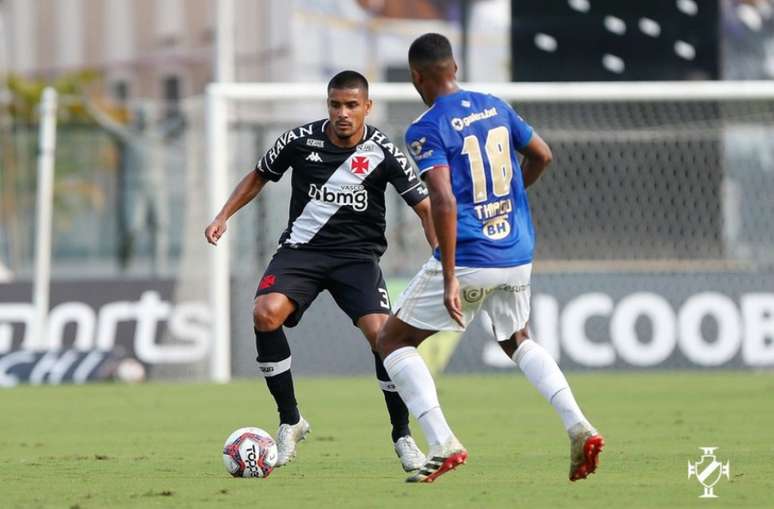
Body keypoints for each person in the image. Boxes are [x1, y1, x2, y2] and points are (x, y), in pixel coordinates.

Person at [376, 33, 604, 483]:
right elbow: (542, 155)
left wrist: (448, 276)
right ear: (455, 67)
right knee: (517, 339)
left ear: (416, 78)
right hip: (517, 250)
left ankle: (442, 441)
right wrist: (509, 196)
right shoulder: (495, 106)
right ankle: (579, 425)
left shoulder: (424, 128)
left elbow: (441, 199)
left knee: (392, 341)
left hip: (471, 255)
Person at [205, 70, 436, 472]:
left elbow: (424, 207)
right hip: (302, 253)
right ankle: (291, 420)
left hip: (357, 259)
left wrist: (440, 257)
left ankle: (402, 436)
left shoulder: (383, 151)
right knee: (264, 313)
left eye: (351, 105)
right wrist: (224, 215)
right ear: (327, 104)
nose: (342, 113)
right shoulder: (299, 140)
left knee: (384, 337)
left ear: (367, 107)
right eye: (335, 104)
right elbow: (259, 175)